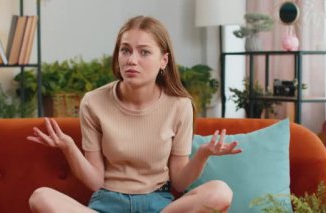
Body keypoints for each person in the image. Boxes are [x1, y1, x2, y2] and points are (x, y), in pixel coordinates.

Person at [27, 15, 242, 213]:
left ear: (163, 61)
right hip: (107, 203)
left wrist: (203, 153)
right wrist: (69, 147)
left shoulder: (180, 106)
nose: (131, 60)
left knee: (220, 192)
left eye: (144, 52)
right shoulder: (93, 102)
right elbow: (95, 182)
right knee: (40, 197)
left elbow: (179, 182)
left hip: (158, 205)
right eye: (125, 50)